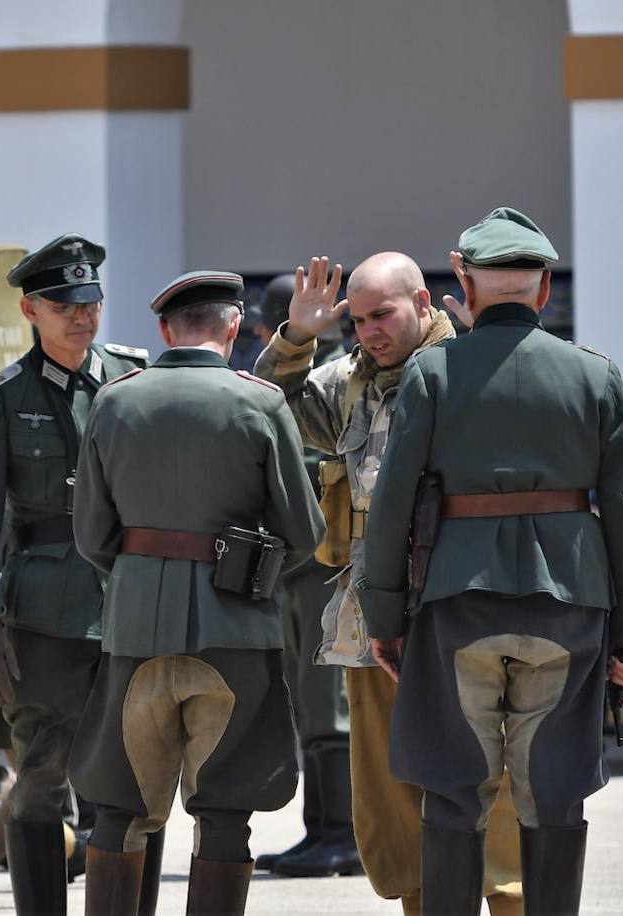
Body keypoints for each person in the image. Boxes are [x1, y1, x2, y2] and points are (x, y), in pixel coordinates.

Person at [357, 207, 623, 916]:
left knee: (455, 790)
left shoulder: (431, 374)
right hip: (570, 606)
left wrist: (384, 618)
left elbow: (392, 506)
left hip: (457, 607)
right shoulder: (595, 376)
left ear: (466, 281)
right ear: (544, 289)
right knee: (554, 791)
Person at [256, 251, 524, 914]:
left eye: (384, 314)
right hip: (374, 611)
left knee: (493, 775)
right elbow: (270, 412)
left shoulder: (475, 370)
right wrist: (295, 339)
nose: (370, 330)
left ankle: (513, 900)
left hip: (468, 600)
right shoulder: (350, 380)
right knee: (389, 789)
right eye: (360, 319)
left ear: (424, 302)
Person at [70, 271, 325, 915]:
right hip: (236, 630)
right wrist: (251, 573)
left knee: (118, 807)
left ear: (164, 330)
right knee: (225, 812)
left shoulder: (115, 401)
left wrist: (142, 573)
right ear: (234, 327)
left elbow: (92, 535)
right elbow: (305, 533)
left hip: (132, 631)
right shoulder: (261, 403)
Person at [0, 233, 158, 916]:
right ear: (29, 310)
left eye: (89, 302)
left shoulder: (135, 378)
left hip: (130, 603)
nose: (81, 316)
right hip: (43, 616)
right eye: (64, 305)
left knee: (135, 781)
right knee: (41, 779)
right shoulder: (3, 399)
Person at [249, 273, 360, 879]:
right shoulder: (335, 376)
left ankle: (340, 834)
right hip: (303, 568)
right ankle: (327, 830)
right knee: (315, 704)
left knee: (328, 706)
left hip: (324, 565)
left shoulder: (331, 383)